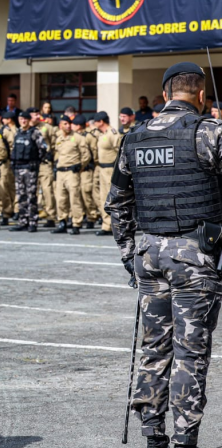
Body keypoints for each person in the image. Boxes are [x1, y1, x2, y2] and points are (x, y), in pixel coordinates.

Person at [105, 62, 222, 448]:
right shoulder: (208, 133)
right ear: (201, 96)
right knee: (190, 353)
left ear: (166, 94)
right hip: (194, 258)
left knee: (155, 345)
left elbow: (118, 206)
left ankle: (152, 429)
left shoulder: (134, 137)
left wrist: (129, 256)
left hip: (148, 256)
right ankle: (184, 437)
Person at [9, 111, 48, 232]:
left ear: (29, 120)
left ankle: (32, 221)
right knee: (21, 196)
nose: (23, 121)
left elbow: (43, 148)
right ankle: (23, 221)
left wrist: (35, 161)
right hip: (19, 168)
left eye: (25, 119)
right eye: (21, 119)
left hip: (30, 169)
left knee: (31, 196)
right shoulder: (17, 133)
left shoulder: (35, 132)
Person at [51, 115, 90, 235]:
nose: (68, 126)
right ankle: (62, 221)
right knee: (61, 199)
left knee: (75, 198)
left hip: (72, 172)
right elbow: (57, 153)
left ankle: (76, 224)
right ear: (60, 125)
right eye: (65, 124)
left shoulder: (78, 138)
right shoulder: (58, 138)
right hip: (60, 172)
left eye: (69, 123)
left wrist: (80, 167)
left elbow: (86, 155)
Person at [91, 111, 120, 237]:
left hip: (110, 169)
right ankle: (106, 225)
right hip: (101, 169)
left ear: (101, 122)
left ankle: (115, 225)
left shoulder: (112, 134)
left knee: (111, 198)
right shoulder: (101, 134)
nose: (94, 124)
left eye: (95, 121)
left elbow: (120, 152)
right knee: (103, 197)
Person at [30, 107, 57, 227]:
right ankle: (31, 216)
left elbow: (55, 144)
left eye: (38, 114)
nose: (36, 117)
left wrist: (54, 159)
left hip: (44, 163)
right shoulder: (26, 128)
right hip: (30, 163)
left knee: (47, 190)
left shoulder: (47, 127)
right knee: (31, 191)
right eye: (34, 114)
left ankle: (51, 216)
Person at [72, 115, 98, 229]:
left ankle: (92, 216)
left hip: (86, 169)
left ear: (78, 126)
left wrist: (84, 165)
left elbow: (94, 153)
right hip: (76, 169)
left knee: (86, 193)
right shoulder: (74, 136)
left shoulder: (89, 136)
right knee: (76, 194)